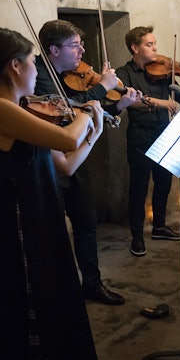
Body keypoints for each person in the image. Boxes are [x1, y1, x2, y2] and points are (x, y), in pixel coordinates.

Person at [0, 27, 106, 360]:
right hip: (20, 234)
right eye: (31, 62)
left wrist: (95, 129)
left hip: (43, 224)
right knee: (33, 315)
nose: (35, 71)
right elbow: (69, 137)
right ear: (14, 66)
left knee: (57, 309)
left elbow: (66, 164)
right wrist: (88, 110)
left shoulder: (24, 112)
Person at [35, 19, 140, 305]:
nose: (82, 51)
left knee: (86, 223)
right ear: (53, 50)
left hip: (75, 158)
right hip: (49, 164)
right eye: (74, 45)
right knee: (53, 233)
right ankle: (59, 292)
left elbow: (84, 107)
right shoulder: (38, 74)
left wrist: (118, 105)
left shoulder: (68, 74)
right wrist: (103, 87)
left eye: (81, 44)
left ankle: (92, 285)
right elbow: (65, 105)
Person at [116, 25, 180, 256]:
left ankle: (159, 227)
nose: (155, 48)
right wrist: (162, 103)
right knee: (139, 188)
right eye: (149, 44)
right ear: (135, 47)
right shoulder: (124, 73)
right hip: (140, 135)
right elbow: (127, 98)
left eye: (155, 44)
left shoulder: (162, 71)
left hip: (164, 131)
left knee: (163, 182)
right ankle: (137, 237)